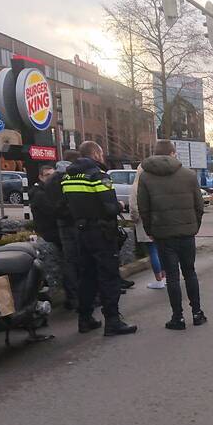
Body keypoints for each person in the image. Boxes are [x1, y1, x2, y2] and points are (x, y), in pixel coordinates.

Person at [61, 141, 137, 336]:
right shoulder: (97, 176)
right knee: (109, 276)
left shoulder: (67, 177)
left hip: (81, 232)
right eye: (101, 153)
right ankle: (113, 321)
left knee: (86, 277)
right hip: (101, 232)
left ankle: (84, 319)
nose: (102, 157)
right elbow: (109, 207)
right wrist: (120, 205)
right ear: (95, 153)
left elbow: (66, 205)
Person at [138, 140, 206, 330]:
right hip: (186, 234)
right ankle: (197, 313)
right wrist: (194, 226)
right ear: (173, 153)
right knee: (190, 272)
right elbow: (199, 206)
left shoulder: (145, 177)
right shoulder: (189, 175)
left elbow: (144, 208)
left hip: (163, 235)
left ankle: (178, 317)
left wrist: (151, 231)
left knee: (172, 277)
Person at [31, 164, 79, 307]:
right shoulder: (40, 193)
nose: (51, 178)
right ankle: (73, 296)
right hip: (51, 232)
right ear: (40, 177)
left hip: (56, 230)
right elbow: (54, 212)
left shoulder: (49, 190)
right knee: (70, 262)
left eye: (53, 175)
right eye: (47, 175)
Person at [128, 165, 166, 290]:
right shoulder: (158, 184)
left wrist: (134, 218)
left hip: (144, 222)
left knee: (153, 251)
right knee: (162, 250)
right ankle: (165, 277)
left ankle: (158, 279)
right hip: (160, 222)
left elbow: (134, 207)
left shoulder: (136, 186)